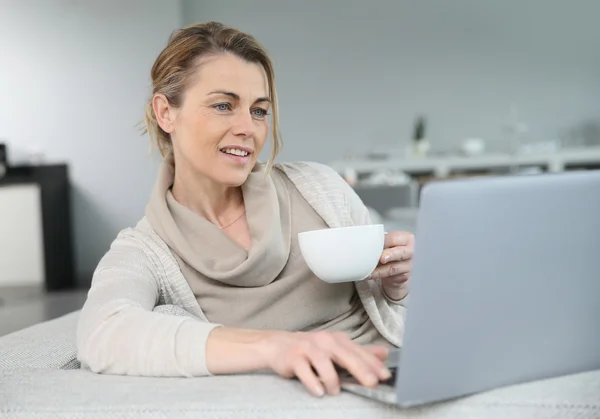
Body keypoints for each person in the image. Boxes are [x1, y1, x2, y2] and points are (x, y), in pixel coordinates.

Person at [76, 21, 414, 398]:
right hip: (306, 398)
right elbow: (103, 331)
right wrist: (273, 346)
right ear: (165, 112)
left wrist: (396, 286)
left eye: (259, 111)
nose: (248, 128)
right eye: (223, 106)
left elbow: (394, 311)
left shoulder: (322, 189)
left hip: (395, 375)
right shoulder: (146, 251)